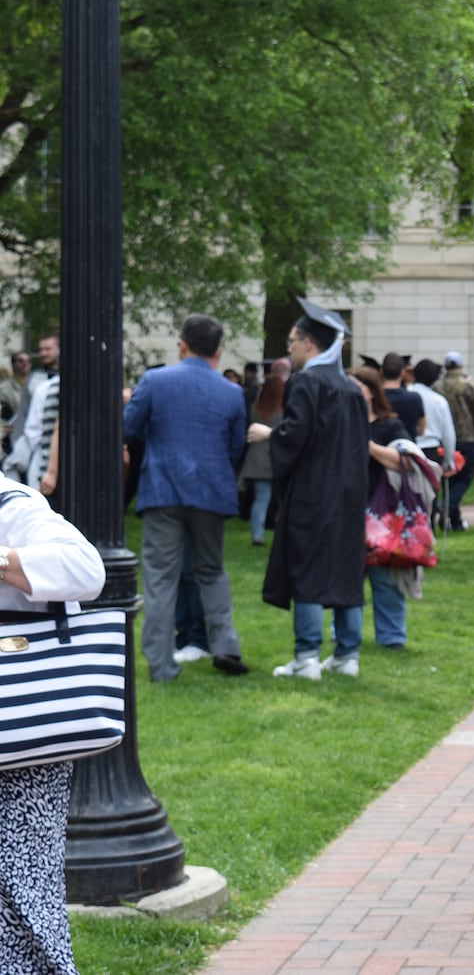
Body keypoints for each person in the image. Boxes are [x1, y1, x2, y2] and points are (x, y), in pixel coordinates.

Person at [0, 475, 107, 975]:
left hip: (20, 751)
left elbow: (87, 568)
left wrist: (5, 561)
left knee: (21, 906)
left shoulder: (13, 506)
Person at [122, 314, 250, 681]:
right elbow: (235, 446)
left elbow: (128, 427)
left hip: (163, 487)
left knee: (160, 577)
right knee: (211, 570)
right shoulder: (232, 391)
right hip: (211, 489)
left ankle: (161, 666)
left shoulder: (155, 380)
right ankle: (225, 645)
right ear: (219, 350)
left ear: (182, 345)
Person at [255, 297, 369, 681]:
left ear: (308, 343)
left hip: (312, 495)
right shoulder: (351, 389)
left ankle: (306, 658)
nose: (288, 347)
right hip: (350, 495)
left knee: (307, 572)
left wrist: (269, 434)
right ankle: (347, 655)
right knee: (346, 571)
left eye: (291, 341)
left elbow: (296, 436)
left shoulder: (306, 382)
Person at [347, 366, 412, 661]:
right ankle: (345, 635)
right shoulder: (340, 421)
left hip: (383, 515)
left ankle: (392, 637)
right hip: (347, 509)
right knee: (348, 578)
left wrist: (369, 444)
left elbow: (405, 462)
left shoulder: (389, 426)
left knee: (385, 578)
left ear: (370, 391)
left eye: (354, 386)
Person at [437, 351, 474, 531]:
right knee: (465, 478)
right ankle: (446, 507)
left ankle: (453, 522)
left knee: (449, 481)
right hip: (467, 438)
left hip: (443, 439)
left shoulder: (437, 386)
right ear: (460, 366)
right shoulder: (469, 386)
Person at [241, 374, 284, 546]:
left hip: (256, 456)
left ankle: (257, 534)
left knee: (261, 498)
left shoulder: (254, 408)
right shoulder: (283, 410)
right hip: (277, 456)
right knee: (281, 499)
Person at [381, 353, 423, 437]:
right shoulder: (414, 398)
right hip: (408, 445)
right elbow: (421, 429)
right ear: (403, 372)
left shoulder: (373, 397)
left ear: (381, 371)